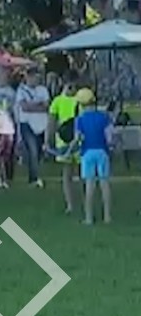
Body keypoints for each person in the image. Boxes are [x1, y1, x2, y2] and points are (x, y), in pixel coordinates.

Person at [73, 88, 112, 225]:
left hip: (87, 152)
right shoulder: (104, 117)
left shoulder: (79, 120)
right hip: (102, 151)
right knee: (104, 183)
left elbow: (78, 138)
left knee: (89, 184)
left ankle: (88, 217)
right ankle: (107, 216)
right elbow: (109, 136)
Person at [47, 76, 81, 214]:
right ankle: (70, 204)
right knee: (67, 173)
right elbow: (51, 121)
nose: (72, 89)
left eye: (75, 86)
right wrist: (48, 139)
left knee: (82, 172)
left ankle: (85, 200)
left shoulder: (80, 100)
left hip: (79, 140)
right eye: (70, 86)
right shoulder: (57, 101)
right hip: (63, 140)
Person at [15, 69, 50, 188]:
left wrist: (32, 105)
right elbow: (24, 107)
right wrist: (38, 105)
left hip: (41, 124)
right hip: (27, 124)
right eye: (33, 77)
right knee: (33, 150)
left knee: (38, 151)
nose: (35, 79)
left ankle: (33, 172)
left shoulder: (43, 90)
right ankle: (33, 179)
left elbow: (46, 106)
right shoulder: (21, 91)